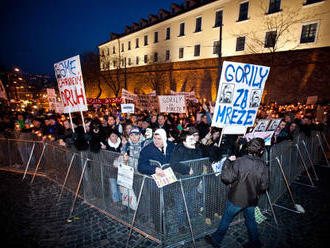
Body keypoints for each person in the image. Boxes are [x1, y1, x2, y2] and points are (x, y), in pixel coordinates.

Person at [205, 138, 269, 248]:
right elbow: (264, 186)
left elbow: (226, 178)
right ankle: (255, 243)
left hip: (236, 198)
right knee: (250, 220)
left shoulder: (240, 161)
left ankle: (216, 240)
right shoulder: (263, 165)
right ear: (261, 151)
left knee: (226, 219)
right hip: (252, 199)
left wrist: (228, 162)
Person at [169, 130, 202, 233]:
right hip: (181, 184)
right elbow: (173, 164)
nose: (193, 141)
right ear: (184, 142)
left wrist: (198, 175)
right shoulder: (178, 150)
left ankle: (188, 220)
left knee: (190, 204)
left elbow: (200, 162)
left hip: (193, 183)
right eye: (190, 140)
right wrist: (187, 170)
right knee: (180, 206)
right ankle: (180, 224)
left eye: (193, 139)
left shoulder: (197, 149)